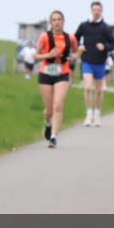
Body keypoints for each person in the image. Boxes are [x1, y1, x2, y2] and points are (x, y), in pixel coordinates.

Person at [35, 10, 77, 148]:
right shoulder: (44, 37)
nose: (57, 22)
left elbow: (76, 52)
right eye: (54, 19)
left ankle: (53, 137)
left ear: (63, 21)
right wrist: (48, 55)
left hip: (62, 73)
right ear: (50, 22)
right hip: (45, 73)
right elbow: (36, 56)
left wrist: (73, 57)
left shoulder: (70, 38)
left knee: (58, 106)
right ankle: (47, 124)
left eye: (59, 19)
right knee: (49, 110)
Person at [74, 1, 114, 127]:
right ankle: (88, 115)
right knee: (87, 87)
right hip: (87, 60)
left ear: (101, 11)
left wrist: (105, 46)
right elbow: (75, 38)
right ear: (91, 10)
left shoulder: (106, 28)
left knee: (98, 91)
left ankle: (97, 115)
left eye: (99, 10)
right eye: (94, 10)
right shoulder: (84, 25)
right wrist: (80, 45)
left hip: (100, 62)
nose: (96, 12)